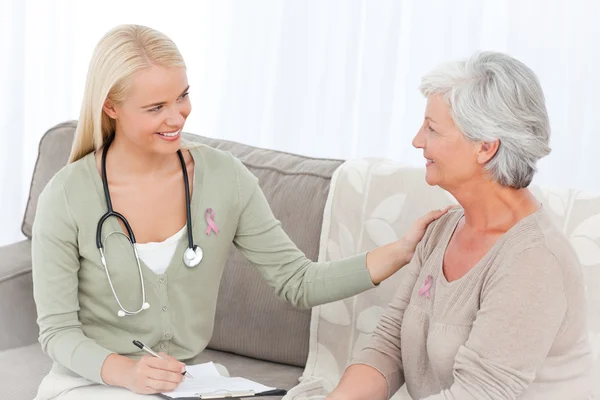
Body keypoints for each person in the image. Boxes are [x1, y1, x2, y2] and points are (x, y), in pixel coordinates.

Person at [31, 24, 449, 399]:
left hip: (184, 385)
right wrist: (127, 373)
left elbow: (298, 281)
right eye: (155, 107)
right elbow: (58, 332)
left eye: (183, 96)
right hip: (90, 382)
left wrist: (400, 251)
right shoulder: (67, 196)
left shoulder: (222, 178)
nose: (177, 117)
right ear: (111, 108)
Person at [326, 51, 594, 400]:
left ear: (485, 147)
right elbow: (388, 347)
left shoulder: (534, 260)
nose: (417, 140)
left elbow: (479, 393)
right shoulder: (443, 230)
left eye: (432, 129)